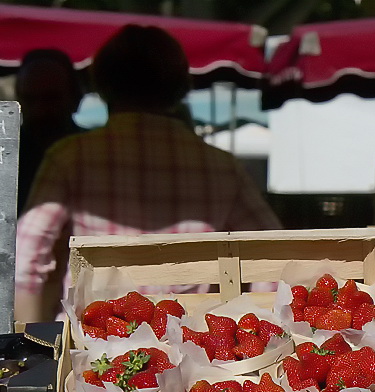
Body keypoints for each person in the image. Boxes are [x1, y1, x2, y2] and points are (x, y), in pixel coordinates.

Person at [15, 25, 283, 322]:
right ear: (180, 86)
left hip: (92, 344)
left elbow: (26, 258)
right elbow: (274, 256)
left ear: (102, 85)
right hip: (186, 348)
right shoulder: (222, 167)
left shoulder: (69, 158)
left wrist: (32, 349)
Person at [15, 49, 85, 215]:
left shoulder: (94, 154)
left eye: (51, 99)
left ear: (75, 99)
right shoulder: (8, 158)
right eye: (30, 99)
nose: (40, 110)